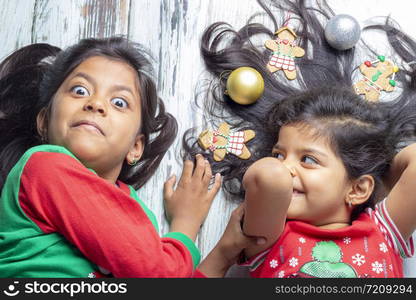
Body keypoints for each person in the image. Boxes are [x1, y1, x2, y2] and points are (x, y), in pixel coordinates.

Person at [184, 0, 416, 277]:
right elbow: (269, 178)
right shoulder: (270, 236)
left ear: (357, 190)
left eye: (308, 159)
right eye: (279, 154)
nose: (284, 166)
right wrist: (222, 254)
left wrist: (374, 176)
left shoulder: (383, 230)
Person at [0, 37, 222, 278]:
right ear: (44, 121)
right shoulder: (43, 167)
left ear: (135, 147)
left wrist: (224, 253)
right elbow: (159, 275)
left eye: (119, 102)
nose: (96, 104)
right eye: (79, 90)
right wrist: (185, 227)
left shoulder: (138, 212)